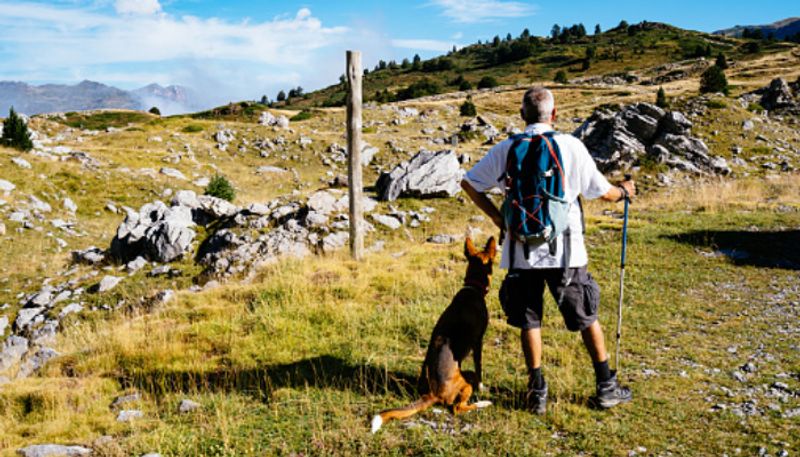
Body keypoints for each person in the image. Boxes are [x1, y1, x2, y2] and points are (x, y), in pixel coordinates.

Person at [460, 87, 635, 413]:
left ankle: (536, 391)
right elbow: (604, 193)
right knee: (585, 315)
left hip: (519, 250)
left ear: (522, 114)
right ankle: (606, 386)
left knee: (529, 319)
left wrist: (499, 217)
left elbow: (468, 183)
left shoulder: (507, 148)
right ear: (554, 115)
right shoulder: (570, 146)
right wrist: (624, 191)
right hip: (565, 251)